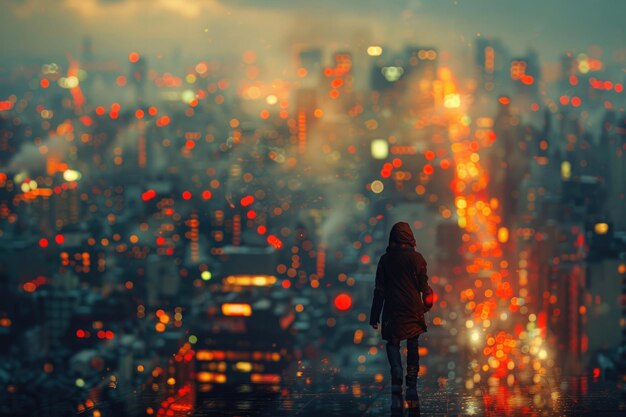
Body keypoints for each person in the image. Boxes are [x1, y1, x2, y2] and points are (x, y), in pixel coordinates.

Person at [370, 221, 434, 415]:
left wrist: (374, 316)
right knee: (413, 342)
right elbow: (425, 287)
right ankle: (411, 380)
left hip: (392, 309)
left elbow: (379, 291)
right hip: (413, 308)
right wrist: (426, 306)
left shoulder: (385, 260)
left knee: (393, 342)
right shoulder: (418, 259)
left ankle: (396, 370)